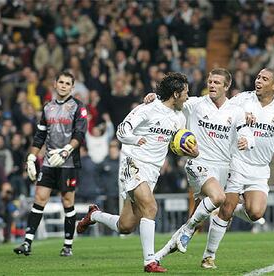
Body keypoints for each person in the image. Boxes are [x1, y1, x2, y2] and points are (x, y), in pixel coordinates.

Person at [76, 72, 198, 273]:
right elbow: (122, 130)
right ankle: (150, 262)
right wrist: (135, 140)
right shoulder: (148, 108)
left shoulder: (179, 118)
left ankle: (94, 215)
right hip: (133, 162)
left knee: (125, 226)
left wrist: (193, 152)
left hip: (152, 171)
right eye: (185, 92)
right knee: (150, 207)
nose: (187, 96)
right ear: (176, 94)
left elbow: (177, 145)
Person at [143, 68, 255, 262]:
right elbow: (170, 101)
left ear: (226, 86)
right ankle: (189, 232)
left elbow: (246, 132)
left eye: (217, 82)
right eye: (210, 81)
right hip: (198, 163)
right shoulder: (194, 104)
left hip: (223, 167)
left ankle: (158, 256)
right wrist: (155, 97)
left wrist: (247, 141)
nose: (212, 85)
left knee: (197, 221)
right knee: (218, 198)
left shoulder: (235, 112)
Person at [199, 68, 274, 268]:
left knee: (255, 213)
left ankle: (231, 207)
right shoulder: (242, 99)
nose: (259, 81)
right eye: (258, 77)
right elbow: (219, 107)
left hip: (260, 169)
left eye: (265, 79)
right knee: (225, 211)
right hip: (237, 162)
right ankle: (209, 256)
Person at [13, 71, 87, 257]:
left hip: (68, 162)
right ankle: (27, 243)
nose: (63, 85)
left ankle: (68, 246)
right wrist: (31, 157)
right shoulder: (47, 108)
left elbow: (79, 135)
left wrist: (65, 151)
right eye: (60, 82)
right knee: (39, 198)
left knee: (67, 202)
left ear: (72, 87)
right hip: (48, 162)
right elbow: (40, 136)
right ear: (55, 84)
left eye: (67, 83)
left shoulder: (78, 107)